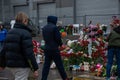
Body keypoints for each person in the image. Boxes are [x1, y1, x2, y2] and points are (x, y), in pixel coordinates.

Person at [3, 12, 39, 80]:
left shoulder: (10, 32)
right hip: (21, 65)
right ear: (24, 21)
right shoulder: (26, 33)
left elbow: (4, 49)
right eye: (27, 21)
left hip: (11, 64)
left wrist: (2, 64)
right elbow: (29, 53)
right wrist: (35, 68)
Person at [41, 16, 69, 80]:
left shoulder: (44, 28)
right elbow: (58, 38)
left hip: (47, 49)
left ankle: (43, 78)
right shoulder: (54, 28)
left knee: (46, 66)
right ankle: (65, 78)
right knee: (59, 65)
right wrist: (61, 44)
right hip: (54, 49)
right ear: (54, 20)